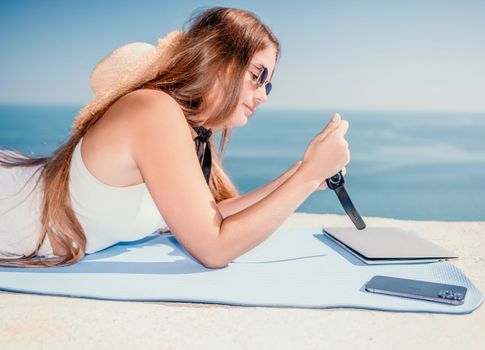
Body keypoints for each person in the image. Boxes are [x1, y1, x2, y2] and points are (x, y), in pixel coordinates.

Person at [0, 6, 350, 268]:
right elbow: (213, 248)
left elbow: (207, 215)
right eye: (258, 76)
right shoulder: (154, 111)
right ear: (221, 61)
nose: (263, 95)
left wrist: (303, 172)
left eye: (268, 83)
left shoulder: (181, 126)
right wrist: (305, 179)